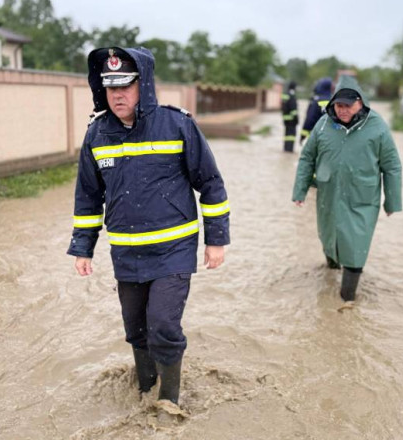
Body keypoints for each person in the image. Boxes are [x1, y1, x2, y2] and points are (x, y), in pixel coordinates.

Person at [68, 47, 230, 406]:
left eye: (126, 85)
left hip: (174, 250)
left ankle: (168, 403)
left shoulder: (177, 124)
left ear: (145, 85)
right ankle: (145, 390)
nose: (118, 95)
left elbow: (211, 183)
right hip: (126, 253)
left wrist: (216, 240)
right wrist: (83, 246)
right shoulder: (97, 134)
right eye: (110, 87)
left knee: (163, 326)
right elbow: (88, 196)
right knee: (136, 329)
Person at [292, 76, 402, 302]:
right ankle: (330, 273)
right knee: (328, 236)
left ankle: (347, 300)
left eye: (347, 106)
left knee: (355, 246)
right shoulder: (323, 124)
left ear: (361, 102)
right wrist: (299, 190)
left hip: (362, 198)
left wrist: (391, 201)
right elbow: (306, 158)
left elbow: (391, 166)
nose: (342, 110)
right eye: (338, 105)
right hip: (328, 195)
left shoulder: (378, 127)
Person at [299, 77, 333, 145]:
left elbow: (309, 119)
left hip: (316, 137)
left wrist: (303, 136)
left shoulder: (316, 100)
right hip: (331, 138)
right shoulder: (334, 101)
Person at [281, 80, 298, 152]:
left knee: (287, 134)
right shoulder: (292, 96)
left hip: (285, 118)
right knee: (291, 135)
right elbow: (293, 108)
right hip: (291, 119)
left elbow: (283, 107)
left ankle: (286, 148)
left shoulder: (285, 94)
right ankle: (289, 149)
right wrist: (296, 118)